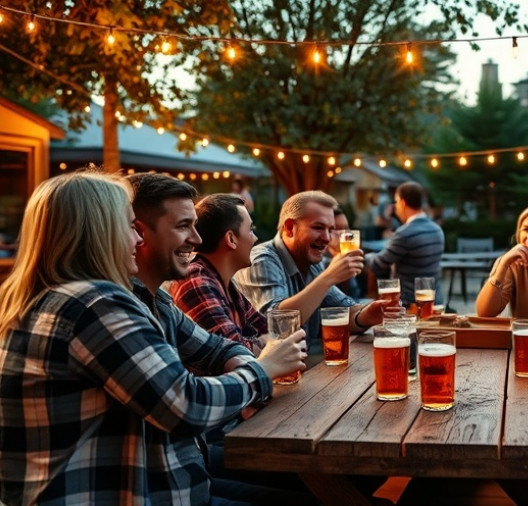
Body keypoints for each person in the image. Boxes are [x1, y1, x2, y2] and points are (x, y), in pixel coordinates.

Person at [0, 172, 306, 505]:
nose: (137, 239)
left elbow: (217, 348)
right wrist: (263, 370)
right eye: (130, 226)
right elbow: (186, 404)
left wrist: (252, 363)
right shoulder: (93, 304)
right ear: (99, 231)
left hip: (168, 479)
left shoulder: (116, 298)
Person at [235, 191, 392, 360]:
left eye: (330, 229)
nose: (326, 238)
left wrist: (367, 315)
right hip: (265, 377)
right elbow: (276, 326)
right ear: (289, 228)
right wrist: (328, 277)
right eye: (318, 227)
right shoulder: (262, 259)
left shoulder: (312, 262)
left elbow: (346, 311)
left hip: (302, 367)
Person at [169, 193, 267, 354]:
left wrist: (266, 343)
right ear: (231, 239)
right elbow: (234, 352)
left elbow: (270, 331)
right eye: (250, 230)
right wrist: (264, 344)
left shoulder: (224, 283)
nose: (255, 238)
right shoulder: (195, 280)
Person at [367, 182, 445, 307]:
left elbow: (378, 264)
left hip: (411, 305)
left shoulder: (405, 234)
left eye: (396, 203)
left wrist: (363, 255)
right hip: (435, 300)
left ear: (402, 203)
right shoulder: (437, 229)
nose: (395, 208)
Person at [326, 207, 362, 300]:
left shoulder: (348, 256)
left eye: (346, 228)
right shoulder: (321, 262)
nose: (344, 233)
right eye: (337, 228)